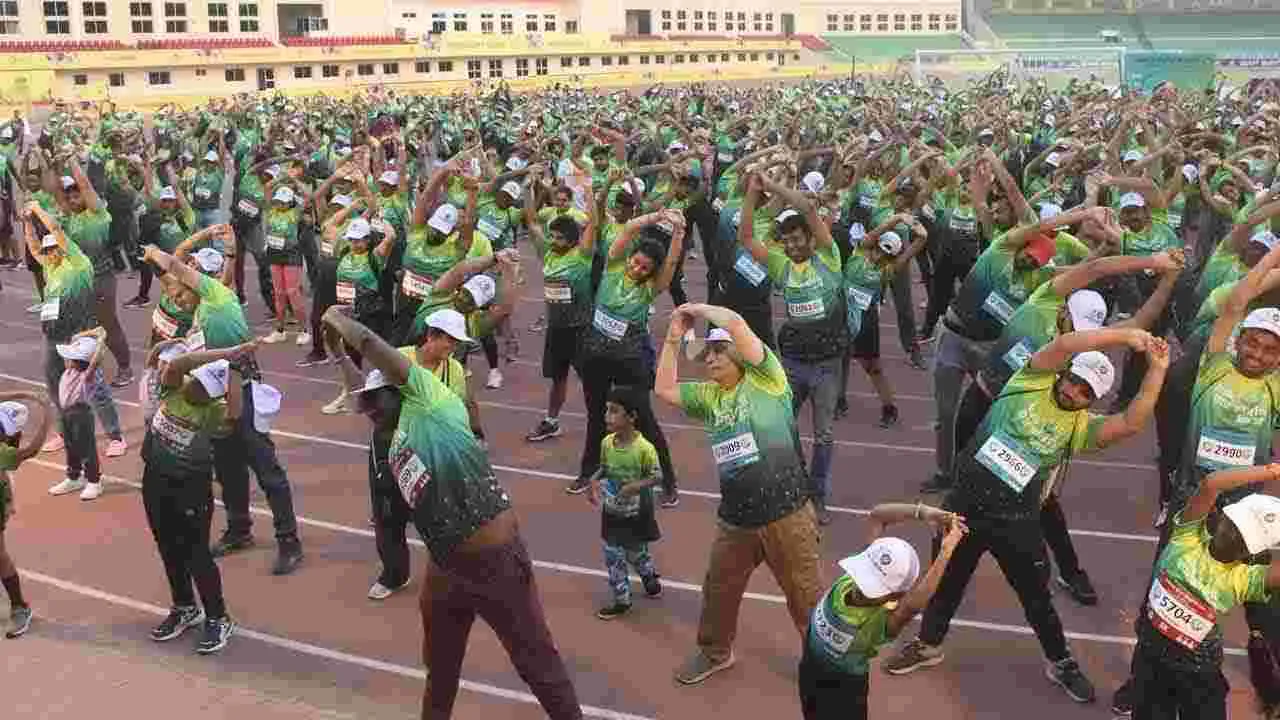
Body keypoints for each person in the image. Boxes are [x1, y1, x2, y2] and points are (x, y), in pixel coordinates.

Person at [883, 327, 1171, 704]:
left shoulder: (1080, 429)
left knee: (1036, 596)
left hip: (1016, 522)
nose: (1073, 394)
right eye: (1073, 382)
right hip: (963, 507)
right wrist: (1124, 335)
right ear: (1063, 372)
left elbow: (1132, 422)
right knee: (946, 580)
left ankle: (1060, 660)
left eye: (1086, 394)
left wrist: (1158, 368)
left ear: (1093, 402)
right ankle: (927, 643)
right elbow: (1066, 344)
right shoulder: (1031, 380)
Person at [321, 304, 582, 719]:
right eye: (366, 405)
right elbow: (361, 383)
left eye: (375, 401)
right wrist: (336, 352)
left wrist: (337, 322)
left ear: (399, 390)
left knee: (536, 663)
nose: (370, 411)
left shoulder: (431, 400)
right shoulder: (392, 428)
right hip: (446, 562)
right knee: (439, 666)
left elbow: (373, 347)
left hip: (494, 559)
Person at [655, 303, 823, 686]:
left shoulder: (768, 379)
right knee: (718, 588)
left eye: (719, 351)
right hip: (736, 519)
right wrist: (673, 338)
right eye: (708, 352)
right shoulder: (709, 397)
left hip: (787, 513)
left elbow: (737, 323)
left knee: (805, 595)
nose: (711, 358)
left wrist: (696, 308)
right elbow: (663, 388)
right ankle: (715, 652)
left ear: (739, 355)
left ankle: (822, 660)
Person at [1131, 464, 1280, 720]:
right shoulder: (1242, 579)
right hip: (1196, 675)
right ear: (1252, 554)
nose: (1231, 534)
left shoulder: (1185, 537)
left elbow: (1212, 483)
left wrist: (1271, 470)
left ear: (1221, 516)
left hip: (1155, 661)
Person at [799, 503, 967, 720]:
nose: (861, 587)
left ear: (894, 596)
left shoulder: (880, 621)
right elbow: (878, 516)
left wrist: (945, 550)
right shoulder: (865, 577)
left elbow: (918, 600)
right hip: (810, 670)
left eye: (871, 586)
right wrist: (926, 513)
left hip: (842, 691)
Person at [144, 343, 253, 655]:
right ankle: (184, 607)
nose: (195, 386)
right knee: (168, 547)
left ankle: (219, 618)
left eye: (204, 386)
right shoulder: (172, 390)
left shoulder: (214, 414)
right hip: (154, 483)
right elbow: (179, 364)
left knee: (196, 554)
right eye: (197, 379)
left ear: (213, 395)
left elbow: (235, 410)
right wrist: (226, 353)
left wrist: (233, 369)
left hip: (190, 489)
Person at [585, 385, 663, 620]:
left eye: (614, 411)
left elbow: (657, 476)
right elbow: (606, 467)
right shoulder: (607, 443)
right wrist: (594, 480)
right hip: (612, 509)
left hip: (637, 510)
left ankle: (647, 573)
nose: (607, 415)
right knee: (612, 553)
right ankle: (622, 599)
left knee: (635, 551)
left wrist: (633, 487)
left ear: (631, 417)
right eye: (607, 410)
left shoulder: (644, 449)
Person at [0, 391, 54, 639]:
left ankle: (20, 607)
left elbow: (31, 450)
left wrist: (46, 416)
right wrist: (28, 396)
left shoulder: (5, 453)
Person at [48, 329, 108, 501]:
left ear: (79, 362)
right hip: (66, 413)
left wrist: (101, 340)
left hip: (80, 415)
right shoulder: (70, 371)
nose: (65, 359)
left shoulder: (86, 376)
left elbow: (96, 359)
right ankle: (74, 477)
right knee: (70, 446)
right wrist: (92, 333)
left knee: (86, 449)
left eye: (69, 357)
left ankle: (94, 482)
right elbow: (74, 338)